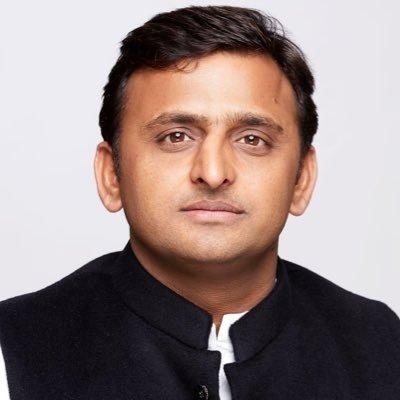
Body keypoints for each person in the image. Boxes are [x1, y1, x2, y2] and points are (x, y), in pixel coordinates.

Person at [0, 5, 399, 399]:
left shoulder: (381, 345)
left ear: (302, 178)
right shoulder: (13, 348)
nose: (212, 172)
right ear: (111, 174)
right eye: (176, 137)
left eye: (252, 140)